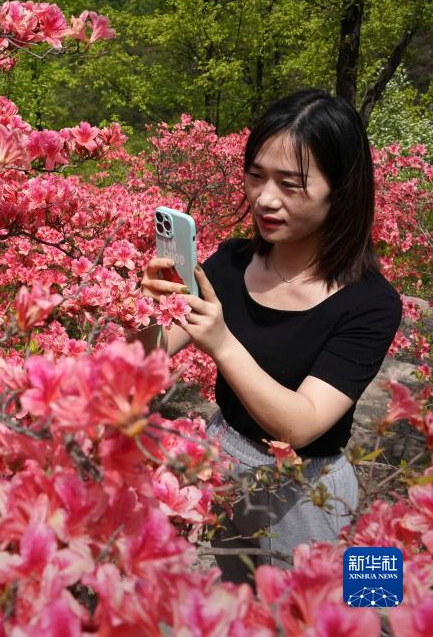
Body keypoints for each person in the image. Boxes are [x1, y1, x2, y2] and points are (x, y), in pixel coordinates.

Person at [137, 89, 403, 586]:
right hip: (221, 454)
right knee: (244, 598)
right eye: (256, 175)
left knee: (336, 605)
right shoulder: (230, 262)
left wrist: (222, 344)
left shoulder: (372, 302)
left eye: (290, 184)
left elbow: (301, 426)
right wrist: (152, 306)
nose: (264, 198)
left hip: (306, 487)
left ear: (341, 189)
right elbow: (144, 357)